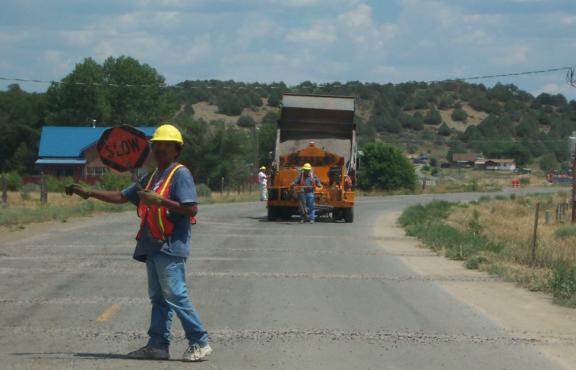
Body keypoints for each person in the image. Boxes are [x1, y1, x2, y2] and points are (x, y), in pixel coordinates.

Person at [65, 124, 212, 362]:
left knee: (175, 294)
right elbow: (122, 197)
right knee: (159, 298)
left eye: (166, 145)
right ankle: (157, 346)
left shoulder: (180, 174)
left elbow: (191, 208)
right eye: (157, 145)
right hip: (152, 245)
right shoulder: (151, 177)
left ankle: (200, 342)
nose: (160, 149)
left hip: (171, 245)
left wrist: (160, 200)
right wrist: (89, 193)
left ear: (177, 150)